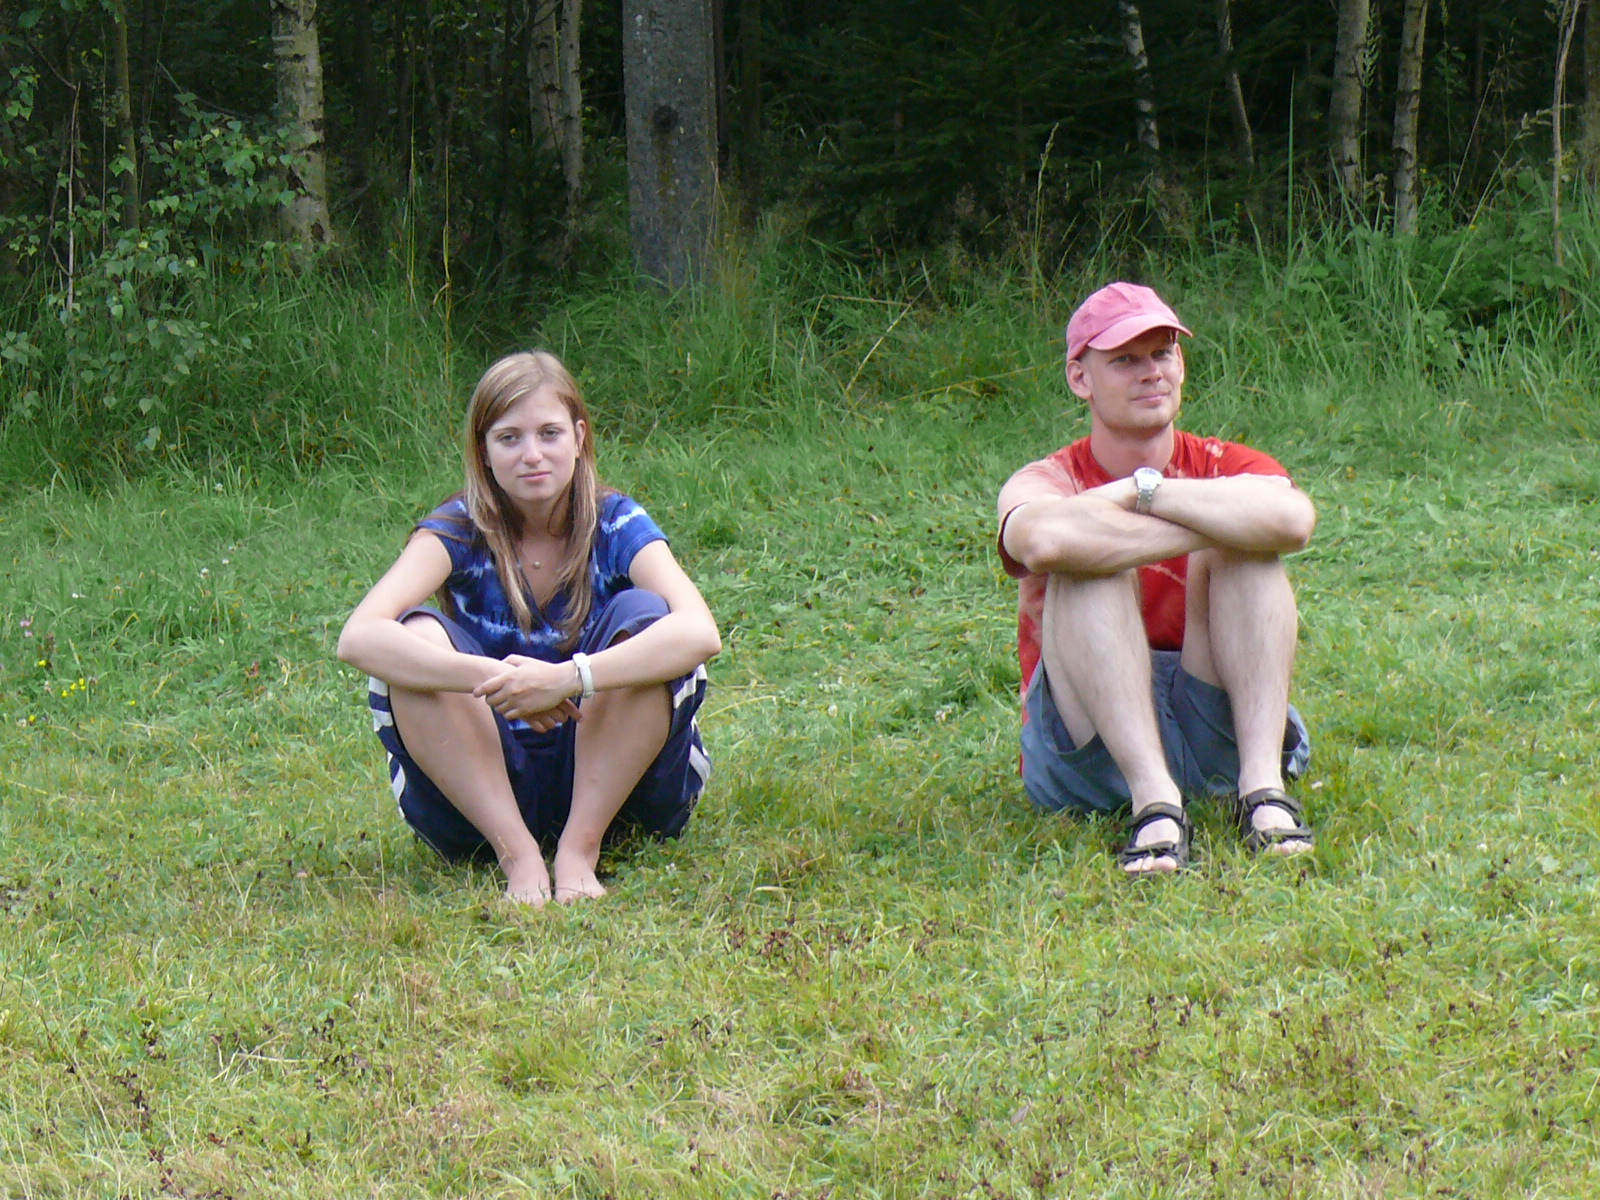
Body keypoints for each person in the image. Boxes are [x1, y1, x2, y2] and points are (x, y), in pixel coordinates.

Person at [338, 351, 721, 905]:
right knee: (413, 638)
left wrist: (568, 679)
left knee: (647, 619)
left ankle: (579, 851)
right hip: (480, 795)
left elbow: (700, 631)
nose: (532, 455)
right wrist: (499, 680)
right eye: (509, 438)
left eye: (549, 433)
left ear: (579, 438)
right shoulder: (458, 527)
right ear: (484, 452)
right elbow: (359, 636)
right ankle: (517, 856)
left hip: (621, 794)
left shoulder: (616, 521)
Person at [995, 282, 1316, 876]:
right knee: (1087, 564)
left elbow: (1293, 521)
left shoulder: (1224, 461)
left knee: (1249, 554)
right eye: (1124, 360)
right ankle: (1154, 805)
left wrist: (1147, 493)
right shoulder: (1050, 477)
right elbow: (1039, 540)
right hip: (1091, 751)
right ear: (1080, 378)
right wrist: (1213, 523)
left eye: (1162, 352)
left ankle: (1263, 791)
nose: (1151, 372)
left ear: (1181, 364)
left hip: (1212, 725)